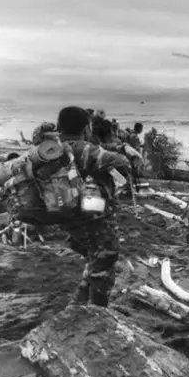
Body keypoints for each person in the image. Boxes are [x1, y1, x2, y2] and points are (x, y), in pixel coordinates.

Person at [56, 106, 131, 307]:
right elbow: (124, 162)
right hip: (93, 215)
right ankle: (98, 311)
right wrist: (119, 148)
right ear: (86, 127)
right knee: (106, 259)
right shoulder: (86, 150)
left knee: (93, 256)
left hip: (65, 213)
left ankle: (79, 303)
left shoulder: (52, 149)